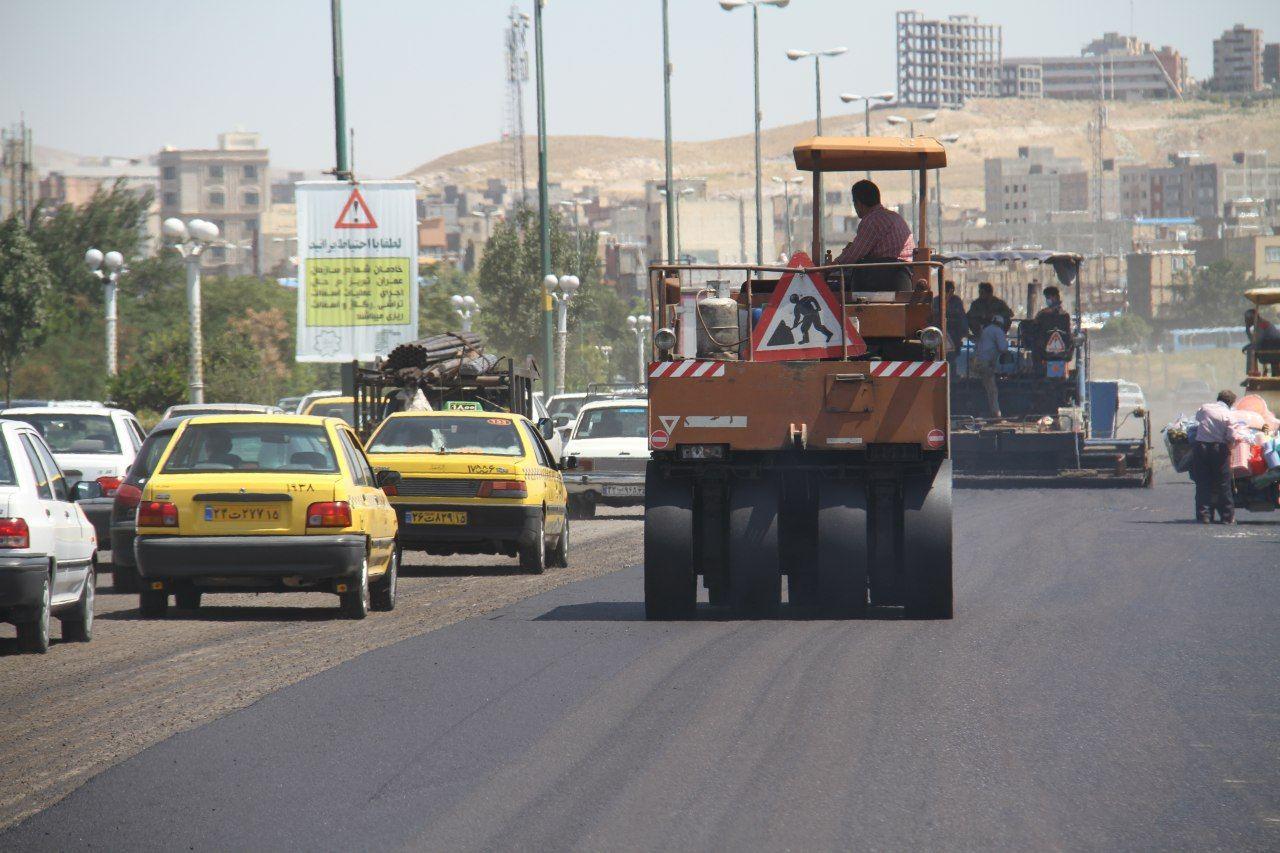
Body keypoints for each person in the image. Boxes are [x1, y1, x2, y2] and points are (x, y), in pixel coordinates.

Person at [834, 180, 915, 291]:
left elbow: (854, 255)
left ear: (858, 203)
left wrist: (832, 266)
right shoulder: (894, 216)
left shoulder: (872, 220)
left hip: (884, 276)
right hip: (906, 274)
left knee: (835, 288)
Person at [1192, 390, 1248, 524]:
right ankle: (1227, 517)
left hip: (1201, 448)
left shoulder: (1205, 408)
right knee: (1223, 483)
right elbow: (1232, 436)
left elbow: (1197, 419)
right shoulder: (1229, 415)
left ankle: (1204, 516)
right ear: (1230, 403)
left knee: (1203, 483)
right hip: (1219, 450)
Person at [971, 315, 1009, 418]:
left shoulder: (986, 329)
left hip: (978, 362)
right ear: (1001, 324)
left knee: (986, 387)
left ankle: (987, 411)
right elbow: (1003, 348)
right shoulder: (997, 331)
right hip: (986, 364)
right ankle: (996, 414)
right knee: (992, 390)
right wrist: (1007, 343)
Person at [931, 281, 966, 355]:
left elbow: (961, 316)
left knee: (952, 358)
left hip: (954, 332)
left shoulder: (956, 301)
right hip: (939, 331)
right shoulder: (936, 300)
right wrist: (946, 301)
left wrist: (964, 331)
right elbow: (935, 314)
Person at [1243, 308, 1280, 376]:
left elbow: (1257, 342)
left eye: (1247, 319)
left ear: (1253, 318)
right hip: (1272, 349)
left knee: (1250, 350)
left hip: (1271, 351)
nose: (1246, 321)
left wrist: (1247, 330)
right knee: (1251, 348)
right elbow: (1256, 341)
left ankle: (1252, 372)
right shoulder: (1262, 324)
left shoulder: (1262, 325)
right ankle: (1275, 374)